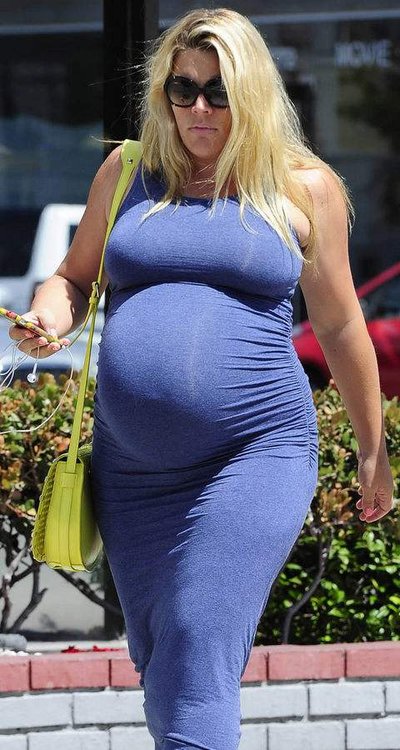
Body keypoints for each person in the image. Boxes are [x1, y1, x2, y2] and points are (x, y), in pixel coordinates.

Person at [9, 8, 394, 750]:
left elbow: (342, 326)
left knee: (193, 638)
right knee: (164, 659)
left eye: (218, 92)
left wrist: (372, 449)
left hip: (254, 454)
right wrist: (48, 318)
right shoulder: (128, 173)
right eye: (182, 89)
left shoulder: (302, 188)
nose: (198, 109)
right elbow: (73, 278)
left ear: (252, 94)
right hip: (132, 472)